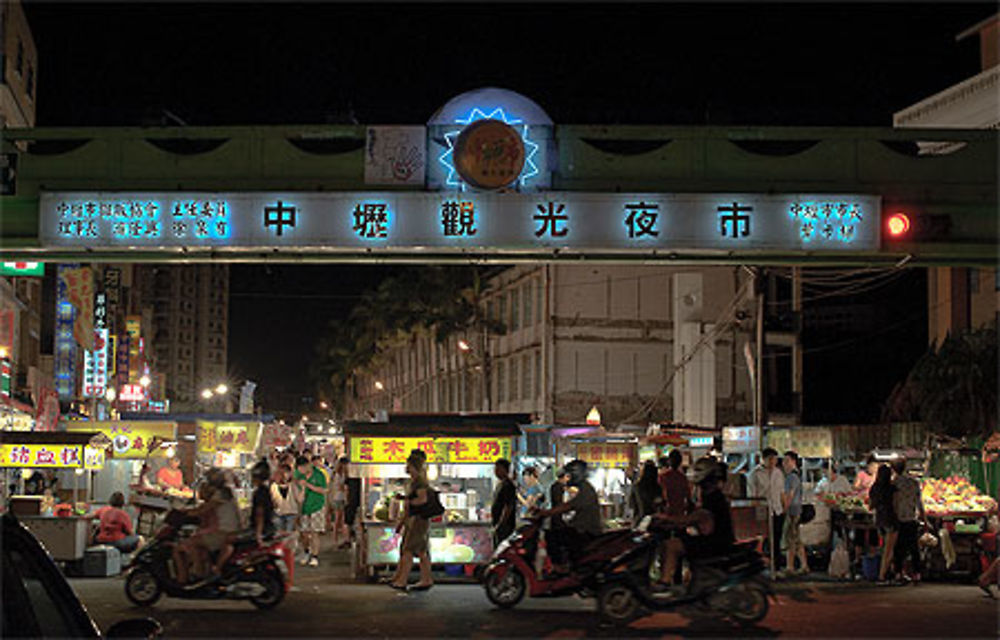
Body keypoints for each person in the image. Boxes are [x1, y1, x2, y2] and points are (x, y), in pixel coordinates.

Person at [655, 458, 736, 591]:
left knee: (672, 546)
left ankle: (663, 584)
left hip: (715, 544)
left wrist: (666, 519)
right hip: (713, 540)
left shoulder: (713, 498)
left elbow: (695, 518)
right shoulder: (710, 495)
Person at [534, 459, 603, 574]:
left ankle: (560, 568)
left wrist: (545, 513)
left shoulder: (586, 490)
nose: (568, 478)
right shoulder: (582, 488)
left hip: (585, 531)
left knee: (552, 536)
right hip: (579, 529)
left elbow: (566, 507)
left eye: (569, 475)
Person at [387, 451, 433, 591]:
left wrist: (406, 500)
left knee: (409, 550)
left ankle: (402, 580)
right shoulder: (415, 481)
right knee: (419, 551)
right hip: (414, 520)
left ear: (414, 467)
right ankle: (424, 579)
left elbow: (422, 499)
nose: (406, 468)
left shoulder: (419, 482)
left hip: (418, 520)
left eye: (408, 465)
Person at [749, 447, 785, 568]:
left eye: (774, 459)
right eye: (770, 459)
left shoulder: (778, 473)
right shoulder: (754, 474)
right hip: (762, 511)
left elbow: (781, 492)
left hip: (777, 509)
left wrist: (784, 507)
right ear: (763, 459)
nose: (773, 462)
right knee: (763, 539)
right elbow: (752, 495)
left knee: (776, 538)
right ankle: (763, 565)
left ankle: (776, 566)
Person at [891, 457, 924, 583]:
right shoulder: (914, 482)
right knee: (914, 547)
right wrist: (925, 520)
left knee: (898, 548)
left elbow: (893, 502)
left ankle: (898, 573)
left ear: (893, 469)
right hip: (911, 518)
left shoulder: (894, 484)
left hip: (898, 519)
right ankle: (917, 573)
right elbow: (920, 503)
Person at [779, 450, 809, 578]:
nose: (784, 464)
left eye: (786, 461)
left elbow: (789, 495)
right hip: (796, 511)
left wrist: (784, 509)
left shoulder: (791, 477)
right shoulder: (796, 476)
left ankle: (791, 567)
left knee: (790, 539)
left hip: (792, 511)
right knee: (796, 540)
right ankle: (803, 566)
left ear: (793, 461)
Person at [295, 455, 328, 567]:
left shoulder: (319, 475)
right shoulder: (298, 475)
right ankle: (306, 551)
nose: (301, 471)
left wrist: (308, 485)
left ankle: (314, 556)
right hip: (303, 508)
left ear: (307, 465)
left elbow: (324, 490)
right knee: (303, 533)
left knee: (315, 532)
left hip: (317, 506)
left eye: (303, 469)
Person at [868, 463, 898, 583]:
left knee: (884, 547)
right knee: (889, 549)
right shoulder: (891, 488)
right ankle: (882, 575)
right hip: (890, 519)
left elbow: (871, 506)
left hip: (879, 520)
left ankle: (888, 572)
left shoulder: (874, 488)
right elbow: (896, 505)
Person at [491, 458, 518, 547]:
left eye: (498, 469)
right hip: (499, 525)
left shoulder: (508, 485)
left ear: (504, 469)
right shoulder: (501, 484)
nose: (495, 471)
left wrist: (501, 524)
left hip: (505, 527)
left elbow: (508, 506)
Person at [251, 459, 276, 547]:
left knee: (229, 539)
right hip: (269, 528)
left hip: (262, 530)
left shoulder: (259, 493)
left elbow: (260, 515)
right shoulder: (265, 490)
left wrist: (258, 535)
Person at [659, 450, 691, 517]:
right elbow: (688, 496)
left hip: (666, 513)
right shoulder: (683, 478)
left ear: (669, 461)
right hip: (680, 513)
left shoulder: (663, 477)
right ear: (680, 462)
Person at [328, 456, 349, 548]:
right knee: (339, 519)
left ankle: (339, 539)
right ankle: (336, 539)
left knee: (340, 520)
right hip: (339, 498)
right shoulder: (338, 475)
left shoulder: (339, 474)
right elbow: (340, 487)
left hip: (339, 498)